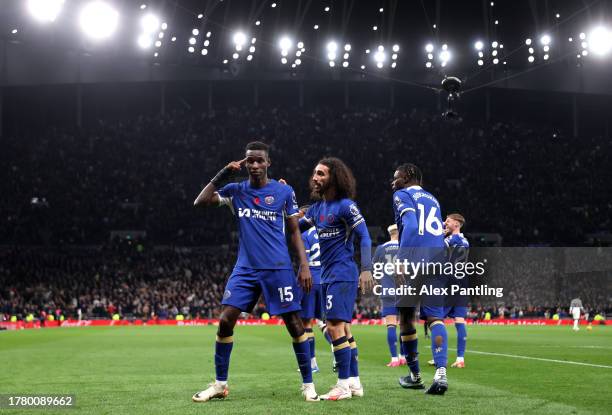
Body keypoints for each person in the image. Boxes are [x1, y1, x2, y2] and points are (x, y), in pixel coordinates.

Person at [191, 141, 319, 402]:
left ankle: (308, 384)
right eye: (250, 160)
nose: (255, 165)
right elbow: (200, 201)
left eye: (260, 160)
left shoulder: (283, 192)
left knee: (294, 324)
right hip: (246, 268)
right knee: (226, 319)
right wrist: (224, 173)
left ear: (268, 162)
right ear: (245, 163)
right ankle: (219, 384)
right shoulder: (236, 190)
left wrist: (304, 265)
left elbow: (294, 230)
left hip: (278, 268)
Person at [300, 157, 374, 400]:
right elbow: (294, 227)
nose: (315, 178)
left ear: (334, 177)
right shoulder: (317, 209)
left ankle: (342, 386)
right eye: (314, 173)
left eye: (321, 174)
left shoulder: (346, 206)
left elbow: (364, 237)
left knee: (333, 327)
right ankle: (354, 383)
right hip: (329, 275)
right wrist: (284, 205)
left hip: (343, 272)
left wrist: (366, 269)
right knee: (342, 328)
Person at [392, 163, 449, 395]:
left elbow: (413, 225)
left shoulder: (402, 194)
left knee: (406, 316)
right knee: (435, 317)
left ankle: (415, 376)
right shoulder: (433, 199)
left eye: (396, 177)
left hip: (416, 259)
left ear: (408, 176)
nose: (393, 182)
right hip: (437, 259)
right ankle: (441, 372)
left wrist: (402, 258)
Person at [428, 213, 470, 368]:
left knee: (436, 320)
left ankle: (439, 356)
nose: (445, 222)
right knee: (459, 321)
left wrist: (440, 234)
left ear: (457, 224)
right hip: (461, 285)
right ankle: (460, 359)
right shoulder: (463, 240)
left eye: (448, 221)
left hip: (449, 285)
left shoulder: (452, 240)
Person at [373, 224, 407, 367]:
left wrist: (382, 283)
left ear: (390, 233)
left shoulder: (381, 249)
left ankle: (394, 359)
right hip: (404, 292)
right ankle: (404, 356)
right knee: (405, 325)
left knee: (391, 325)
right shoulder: (405, 248)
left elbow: (375, 272)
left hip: (388, 291)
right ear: (400, 233)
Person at [297, 205, 324, 373]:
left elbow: (304, 261)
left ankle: (312, 362)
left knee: (306, 322)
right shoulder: (324, 232)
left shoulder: (305, 234)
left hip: (310, 279)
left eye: (299, 214)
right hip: (325, 278)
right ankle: (339, 355)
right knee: (327, 322)